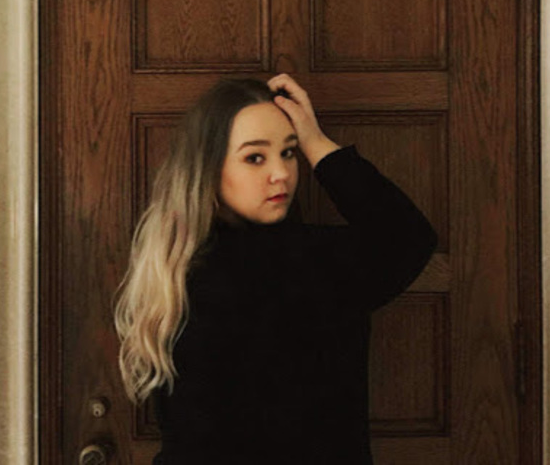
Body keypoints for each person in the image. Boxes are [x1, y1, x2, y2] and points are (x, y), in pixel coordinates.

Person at [113, 74, 438, 464]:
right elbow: (407, 237)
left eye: (289, 151)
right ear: (209, 169)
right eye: (255, 157)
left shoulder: (173, 267)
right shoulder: (308, 263)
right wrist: (316, 142)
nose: (281, 172)